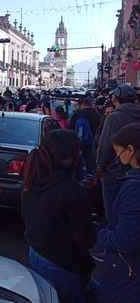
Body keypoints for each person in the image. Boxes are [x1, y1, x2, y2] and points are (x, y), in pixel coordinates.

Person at [22, 130, 95, 303]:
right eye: (78, 152)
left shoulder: (31, 181)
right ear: (68, 158)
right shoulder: (70, 191)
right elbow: (86, 239)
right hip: (64, 264)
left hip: (36, 253)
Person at [91, 123, 140, 302]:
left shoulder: (134, 188)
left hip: (129, 275)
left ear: (131, 150)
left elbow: (125, 240)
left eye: (119, 153)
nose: (118, 159)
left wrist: (98, 233)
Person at [96, 84, 140, 220]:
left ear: (116, 99)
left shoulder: (114, 117)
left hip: (115, 172)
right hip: (136, 168)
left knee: (113, 211)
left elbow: (105, 146)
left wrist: (100, 167)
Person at [69, 97, 101, 173]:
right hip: (94, 144)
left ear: (81, 105)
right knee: (91, 163)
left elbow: (70, 129)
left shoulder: (77, 114)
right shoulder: (97, 114)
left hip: (79, 144)